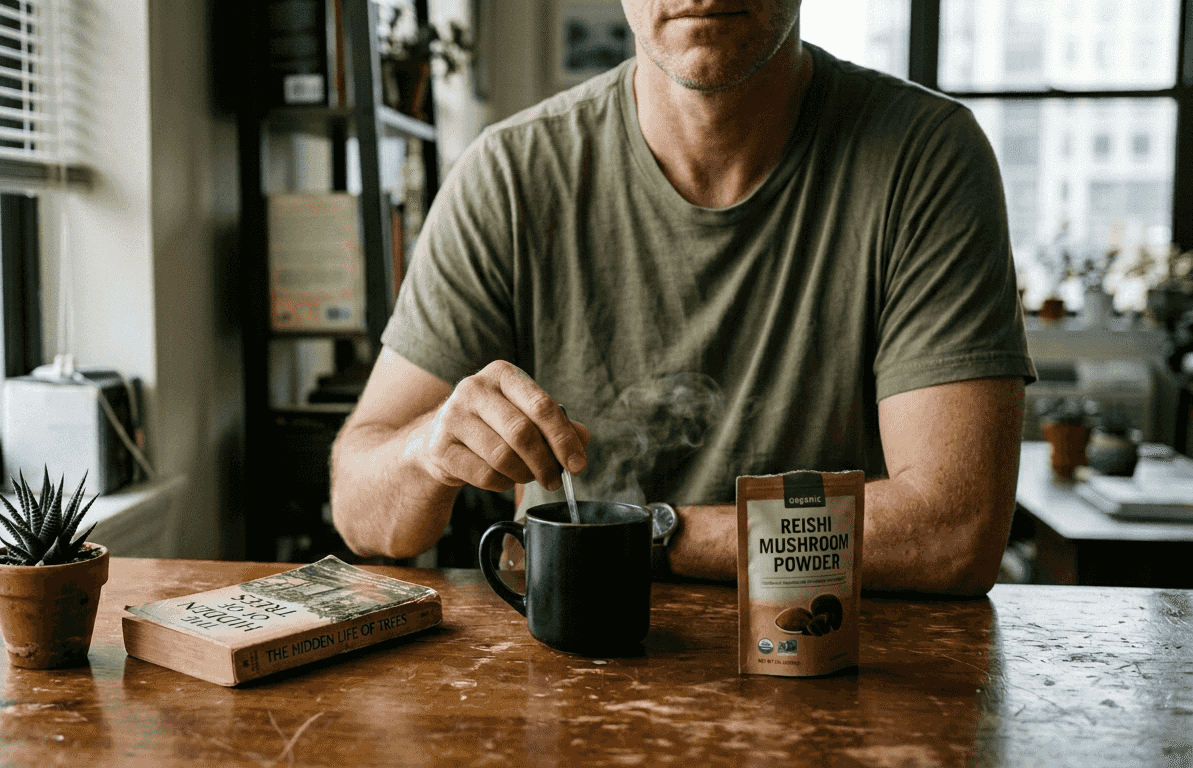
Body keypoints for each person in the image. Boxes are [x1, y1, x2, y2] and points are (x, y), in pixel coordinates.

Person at [329, 0, 1035, 596]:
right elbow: (363, 513)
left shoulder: (926, 157)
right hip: (570, 682)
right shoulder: (509, 176)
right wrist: (428, 449)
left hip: (838, 670)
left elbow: (954, 531)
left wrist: (645, 536)